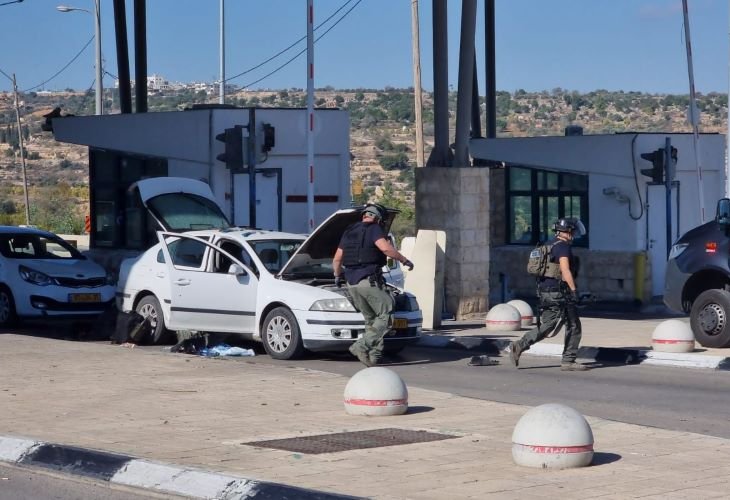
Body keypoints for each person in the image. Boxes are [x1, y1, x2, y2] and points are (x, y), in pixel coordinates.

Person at [332, 204, 414, 367]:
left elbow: (337, 259)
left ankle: (374, 357)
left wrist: (337, 275)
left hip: (351, 283)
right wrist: (404, 260)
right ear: (377, 218)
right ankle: (361, 346)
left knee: (371, 320)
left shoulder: (349, 231)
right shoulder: (374, 228)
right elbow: (386, 249)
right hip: (368, 280)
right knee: (386, 314)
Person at [509, 217, 588, 371]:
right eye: (573, 231)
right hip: (560, 292)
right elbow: (565, 270)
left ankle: (519, 346)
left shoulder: (550, 245)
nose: (574, 234)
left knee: (547, 326)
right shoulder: (563, 247)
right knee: (573, 325)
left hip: (546, 291)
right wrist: (574, 291)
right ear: (568, 231)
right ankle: (568, 361)